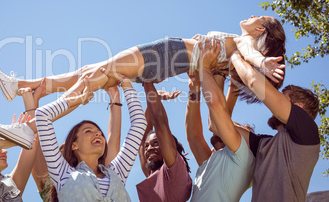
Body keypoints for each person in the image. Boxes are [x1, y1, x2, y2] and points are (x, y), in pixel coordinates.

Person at [0, 16, 286, 104]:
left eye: (258, 18)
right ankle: (20, 86)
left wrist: (262, 64)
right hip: (168, 64)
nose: (251, 17)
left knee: (99, 72)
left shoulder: (244, 43)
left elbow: (250, 55)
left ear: (260, 30)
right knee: (89, 72)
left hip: (169, 52)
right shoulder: (226, 60)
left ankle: (43, 114)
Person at [0, 73, 147, 201]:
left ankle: (18, 85)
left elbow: (139, 125)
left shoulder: (117, 172)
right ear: (73, 145)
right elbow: (43, 116)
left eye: (99, 132)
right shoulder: (62, 173)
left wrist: (125, 84)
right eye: (88, 131)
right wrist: (78, 98)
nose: (98, 133)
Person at [229, 37, 320, 201]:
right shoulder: (264, 145)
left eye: (282, 98)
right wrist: (228, 83)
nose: (274, 102)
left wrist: (234, 55)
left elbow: (254, 80)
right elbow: (217, 125)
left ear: (298, 108)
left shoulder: (308, 130)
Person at [185, 40, 255, 201]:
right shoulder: (214, 161)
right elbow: (194, 135)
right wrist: (194, 88)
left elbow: (218, 119)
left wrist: (217, 74)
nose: (229, 127)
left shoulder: (245, 158)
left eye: (236, 127)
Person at [136, 82, 192, 202]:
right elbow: (142, 139)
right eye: (147, 146)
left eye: (156, 143)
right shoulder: (153, 173)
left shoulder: (175, 171)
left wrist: (147, 82)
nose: (148, 148)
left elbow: (160, 124)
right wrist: (155, 97)